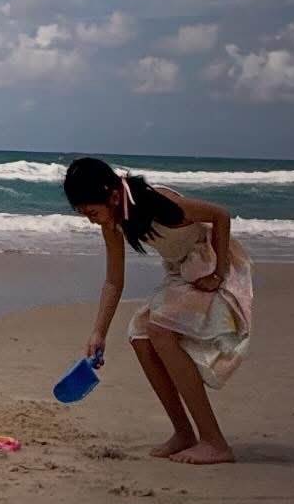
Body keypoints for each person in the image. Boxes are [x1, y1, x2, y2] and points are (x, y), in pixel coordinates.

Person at [64, 156, 252, 465]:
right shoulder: (114, 222)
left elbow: (220, 215)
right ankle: (184, 433)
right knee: (139, 335)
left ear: (112, 195)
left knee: (160, 330)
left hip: (211, 265)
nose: (91, 220)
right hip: (182, 272)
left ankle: (215, 442)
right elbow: (114, 281)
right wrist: (98, 332)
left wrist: (218, 273)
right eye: (84, 214)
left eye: (92, 212)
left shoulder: (158, 203)